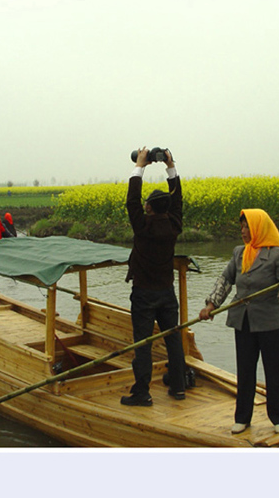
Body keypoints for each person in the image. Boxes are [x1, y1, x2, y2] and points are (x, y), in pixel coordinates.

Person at [199, 209, 279, 434]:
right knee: (245, 371)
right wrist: (211, 305)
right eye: (241, 227)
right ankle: (242, 417)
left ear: (259, 228)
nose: (243, 231)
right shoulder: (239, 253)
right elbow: (225, 280)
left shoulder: (277, 254)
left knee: (274, 371)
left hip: (270, 323)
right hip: (243, 322)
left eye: (247, 227)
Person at [121, 146, 186, 407]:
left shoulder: (143, 226)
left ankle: (142, 393)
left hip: (145, 294)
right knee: (173, 339)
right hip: (167, 293)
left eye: (146, 204)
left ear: (148, 208)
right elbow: (177, 200)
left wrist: (140, 165)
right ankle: (179, 387)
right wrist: (170, 166)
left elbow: (131, 201)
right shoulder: (173, 226)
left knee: (144, 344)